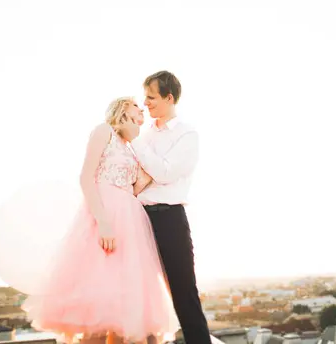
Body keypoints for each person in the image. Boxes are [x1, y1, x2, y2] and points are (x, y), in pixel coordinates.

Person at [22, 96, 177, 344]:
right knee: (96, 303)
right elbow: (86, 177)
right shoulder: (103, 131)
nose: (143, 109)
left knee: (124, 307)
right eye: (137, 105)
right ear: (123, 108)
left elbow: (136, 188)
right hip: (104, 214)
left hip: (131, 221)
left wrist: (149, 167)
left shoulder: (133, 147)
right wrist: (103, 223)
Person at [120, 71, 212, 344]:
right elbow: (136, 174)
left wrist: (146, 162)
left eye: (151, 97)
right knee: (138, 293)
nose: (145, 103)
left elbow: (165, 172)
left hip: (170, 219)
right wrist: (149, 171)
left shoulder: (187, 134)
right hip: (139, 219)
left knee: (184, 293)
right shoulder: (146, 134)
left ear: (169, 98)